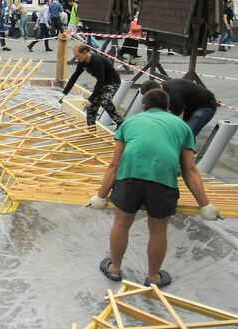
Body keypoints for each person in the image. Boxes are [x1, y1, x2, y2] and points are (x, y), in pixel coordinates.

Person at [87, 86, 220, 284]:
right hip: (163, 182)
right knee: (158, 230)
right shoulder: (182, 127)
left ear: (143, 106)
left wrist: (101, 196)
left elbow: (115, 165)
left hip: (129, 179)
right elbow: (189, 170)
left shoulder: (129, 122)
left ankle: (114, 268)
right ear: (167, 107)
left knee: (121, 224)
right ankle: (153, 277)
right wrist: (205, 205)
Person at [61, 42, 123, 128]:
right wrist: (64, 92)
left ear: (85, 52)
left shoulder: (97, 61)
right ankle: (91, 129)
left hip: (112, 82)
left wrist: (90, 99)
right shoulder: (82, 62)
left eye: (78, 56)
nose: (76, 58)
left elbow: (101, 81)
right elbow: (75, 76)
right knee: (91, 107)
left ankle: (120, 122)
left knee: (104, 101)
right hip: (102, 83)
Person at [139, 78, 218, 137]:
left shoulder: (174, 94)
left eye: (150, 96)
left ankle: (188, 151)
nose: (150, 99)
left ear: (157, 90)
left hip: (206, 105)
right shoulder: (161, 90)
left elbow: (177, 119)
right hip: (188, 106)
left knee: (186, 134)